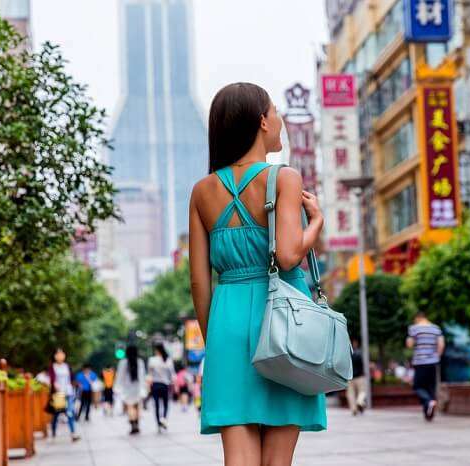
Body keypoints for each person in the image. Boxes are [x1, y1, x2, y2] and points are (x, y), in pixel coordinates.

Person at [189, 82, 327, 465]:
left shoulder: (203, 190)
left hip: (227, 321)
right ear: (262, 121)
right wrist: (316, 222)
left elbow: (199, 280)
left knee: (238, 456)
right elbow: (287, 256)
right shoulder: (284, 178)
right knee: (277, 460)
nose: (280, 120)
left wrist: (212, 338)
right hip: (284, 320)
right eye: (276, 111)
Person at [406, 311, 445, 421]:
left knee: (418, 386)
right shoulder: (436, 328)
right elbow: (441, 344)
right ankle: (428, 414)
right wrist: (437, 356)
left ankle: (429, 402)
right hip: (433, 362)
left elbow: (409, 344)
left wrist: (410, 339)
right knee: (430, 387)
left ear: (417, 318)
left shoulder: (414, 328)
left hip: (420, 362)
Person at [47, 348, 80, 441]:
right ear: (55, 356)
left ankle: (73, 433)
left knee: (70, 412)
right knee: (56, 414)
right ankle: (53, 431)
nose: (60, 356)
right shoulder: (52, 367)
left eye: (62, 353)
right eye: (58, 354)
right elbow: (52, 380)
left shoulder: (67, 366)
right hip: (58, 393)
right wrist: (55, 388)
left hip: (68, 392)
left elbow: (72, 378)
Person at [114, 343, 147, 435]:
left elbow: (120, 376)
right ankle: (137, 423)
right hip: (137, 388)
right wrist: (143, 388)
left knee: (130, 406)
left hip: (127, 388)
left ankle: (133, 424)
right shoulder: (140, 361)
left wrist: (117, 387)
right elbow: (142, 376)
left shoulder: (123, 362)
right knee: (137, 406)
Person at [147, 343, 176, 433]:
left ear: (157, 351)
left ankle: (158, 423)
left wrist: (148, 386)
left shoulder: (152, 360)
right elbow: (173, 375)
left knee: (156, 405)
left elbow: (149, 375)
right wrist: (173, 384)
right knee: (165, 404)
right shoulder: (168, 360)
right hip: (165, 385)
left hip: (155, 385)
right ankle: (164, 418)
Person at [346, 338, 366, 416]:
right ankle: (359, 402)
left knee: (350, 394)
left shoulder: (347, 354)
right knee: (362, 391)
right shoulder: (359, 353)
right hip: (360, 376)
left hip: (350, 377)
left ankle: (354, 409)